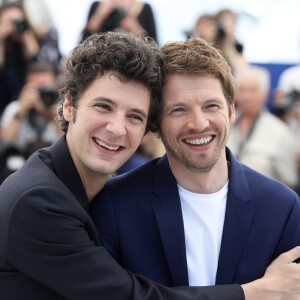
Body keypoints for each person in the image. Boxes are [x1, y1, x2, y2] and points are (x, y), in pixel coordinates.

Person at [0, 30, 246, 300]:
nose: (117, 129)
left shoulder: (74, 187)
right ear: (69, 105)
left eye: (134, 116)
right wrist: (250, 294)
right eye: (104, 107)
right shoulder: (38, 201)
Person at [90, 37, 300, 298]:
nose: (199, 124)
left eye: (211, 106)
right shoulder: (115, 205)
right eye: (179, 110)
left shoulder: (282, 208)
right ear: (154, 124)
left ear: (232, 111)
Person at [227, 65, 299, 191]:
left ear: (265, 94)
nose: (247, 97)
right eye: (242, 90)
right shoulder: (224, 125)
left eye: (253, 90)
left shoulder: (281, 132)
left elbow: (289, 183)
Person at [0, 62, 62, 182]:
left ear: (55, 86)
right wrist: (20, 112)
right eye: (35, 88)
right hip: (18, 169)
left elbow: (70, 144)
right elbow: (3, 143)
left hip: (54, 168)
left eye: (45, 87)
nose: (40, 94)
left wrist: (53, 115)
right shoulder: (16, 108)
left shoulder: (63, 110)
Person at [80, 0, 157, 42]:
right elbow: (82, 42)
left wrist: (135, 28)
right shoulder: (98, 6)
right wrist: (99, 15)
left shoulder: (145, 8)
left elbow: (155, 44)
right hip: (100, 61)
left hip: (134, 63)